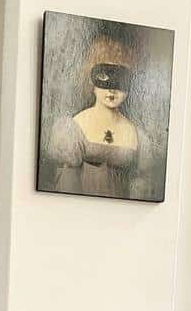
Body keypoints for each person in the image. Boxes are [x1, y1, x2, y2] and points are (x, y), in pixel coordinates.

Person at [49, 36, 153, 200]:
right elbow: (66, 191)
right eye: (104, 77)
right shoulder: (74, 127)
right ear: (91, 81)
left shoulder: (136, 134)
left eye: (120, 80)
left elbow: (140, 191)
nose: (112, 90)